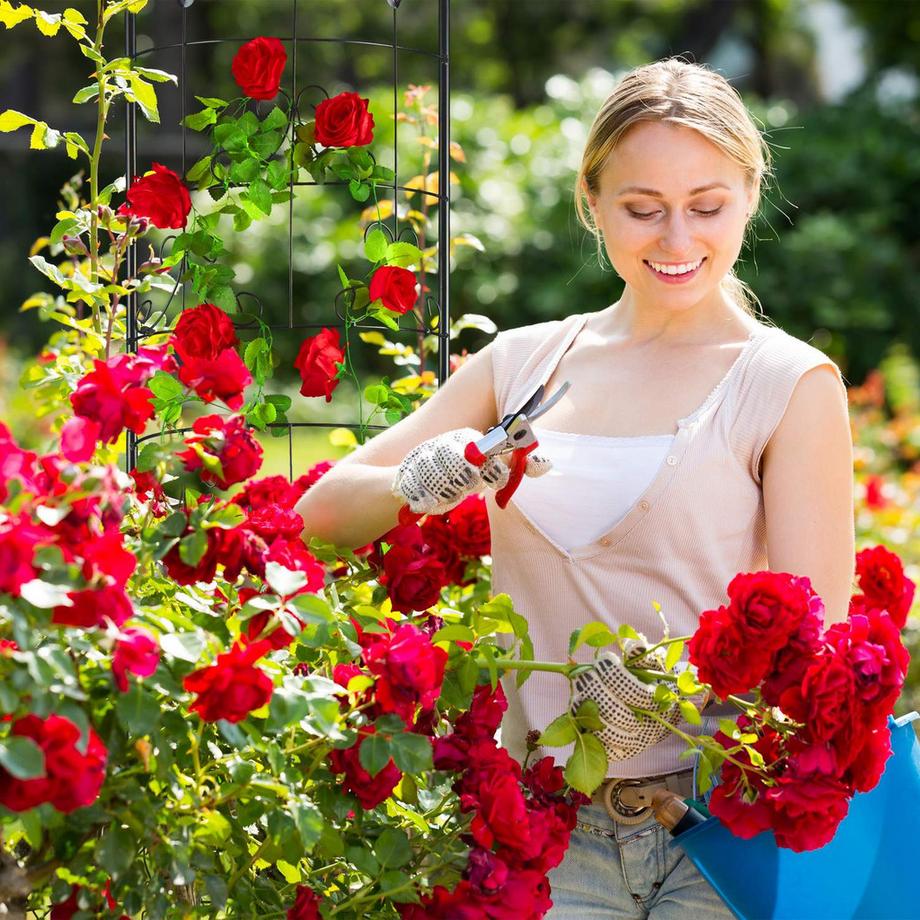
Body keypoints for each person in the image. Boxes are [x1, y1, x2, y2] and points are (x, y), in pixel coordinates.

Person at [296, 56, 855, 918]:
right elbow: (319, 516)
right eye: (642, 210)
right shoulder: (524, 362)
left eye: (706, 207)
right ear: (593, 202)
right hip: (543, 830)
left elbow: (816, 644)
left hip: (715, 833)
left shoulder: (785, 383)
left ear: (750, 192)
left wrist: (681, 698)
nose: (677, 241)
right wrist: (424, 477)